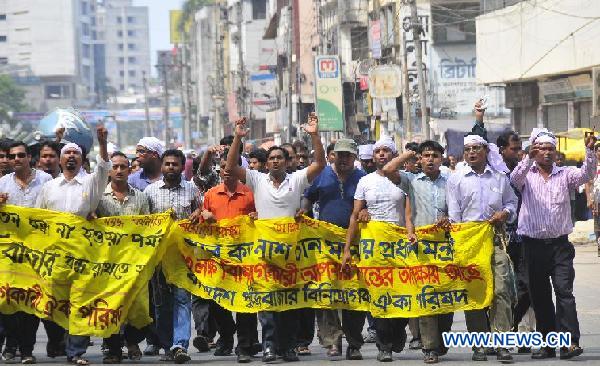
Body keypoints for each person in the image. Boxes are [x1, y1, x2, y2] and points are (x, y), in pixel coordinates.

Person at [225, 114, 326, 362]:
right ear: (266, 163)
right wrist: (238, 137)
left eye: (280, 157)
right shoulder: (256, 179)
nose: (275, 161)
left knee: (290, 302)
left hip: (291, 254)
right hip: (265, 252)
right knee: (268, 302)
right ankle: (269, 346)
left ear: (287, 161)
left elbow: (320, 164)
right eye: (271, 158)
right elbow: (230, 167)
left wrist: (314, 135)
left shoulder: (297, 179)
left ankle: (288, 347)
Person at [510, 128, 596, 360]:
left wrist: (589, 151)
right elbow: (514, 180)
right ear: (534, 151)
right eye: (541, 149)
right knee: (540, 296)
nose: (546, 153)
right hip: (533, 246)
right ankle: (548, 345)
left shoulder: (566, 174)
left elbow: (586, 175)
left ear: (556, 152)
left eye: (550, 149)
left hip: (560, 246)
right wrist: (528, 157)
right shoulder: (527, 175)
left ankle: (569, 343)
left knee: (564, 291)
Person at [36, 126, 111, 366]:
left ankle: (76, 351)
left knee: (81, 301)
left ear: (81, 159)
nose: (70, 156)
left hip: (83, 254)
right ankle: (59, 341)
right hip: (55, 255)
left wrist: (102, 142)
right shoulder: (49, 188)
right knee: (54, 301)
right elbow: (39, 219)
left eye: (75, 154)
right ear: (60, 159)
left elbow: (103, 169)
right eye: (66, 153)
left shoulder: (90, 184)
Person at [341, 137, 415, 363]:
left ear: (394, 155)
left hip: (399, 246)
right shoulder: (365, 181)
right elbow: (356, 215)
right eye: (378, 151)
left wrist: (411, 233)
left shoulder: (405, 179)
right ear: (372, 156)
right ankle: (385, 346)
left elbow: (409, 215)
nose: (381, 154)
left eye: (386, 151)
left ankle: (398, 330)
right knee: (380, 294)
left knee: (402, 293)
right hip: (373, 247)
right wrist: (347, 249)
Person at [446, 133, 518, 363]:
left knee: (501, 291)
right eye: (467, 150)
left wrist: (504, 213)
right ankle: (479, 345)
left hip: (496, 240)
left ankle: (502, 345)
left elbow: (511, 203)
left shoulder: (499, 177)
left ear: (486, 151)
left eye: (476, 149)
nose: (472, 153)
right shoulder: (456, 179)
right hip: (469, 243)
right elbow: (454, 215)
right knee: (475, 294)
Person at [381, 140, 454, 364]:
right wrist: (409, 153)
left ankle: (439, 342)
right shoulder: (411, 180)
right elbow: (388, 169)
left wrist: (449, 219)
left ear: (441, 159)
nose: (430, 159)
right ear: (419, 160)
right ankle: (429, 347)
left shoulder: (451, 180)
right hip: (421, 247)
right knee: (426, 296)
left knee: (446, 298)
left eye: (434, 155)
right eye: (425, 156)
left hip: (446, 246)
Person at [302, 139, 367, 360]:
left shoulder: (363, 178)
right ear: (332, 156)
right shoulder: (322, 176)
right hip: (325, 244)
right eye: (339, 155)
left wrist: (366, 213)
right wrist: (303, 213)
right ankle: (332, 341)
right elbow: (308, 198)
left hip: (355, 244)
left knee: (354, 293)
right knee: (325, 291)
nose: (343, 159)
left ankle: (354, 342)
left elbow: (370, 205)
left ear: (355, 157)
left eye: (348, 155)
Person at [199, 150, 258, 363]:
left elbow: (260, 220)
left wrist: (255, 217)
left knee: (244, 303)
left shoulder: (250, 193)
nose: (225, 171)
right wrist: (204, 216)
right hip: (218, 257)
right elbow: (201, 222)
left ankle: (244, 345)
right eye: (222, 167)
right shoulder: (211, 194)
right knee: (217, 302)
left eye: (229, 167)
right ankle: (227, 333)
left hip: (244, 257)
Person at [144, 149, 203, 364]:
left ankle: (180, 345)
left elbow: (202, 214)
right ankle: (168, 344)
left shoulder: (192, 190)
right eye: (167, 164)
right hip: (158, 258)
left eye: (175, 164)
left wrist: (198, 214)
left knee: (182, 300)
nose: (171, 168)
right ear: (162, 166)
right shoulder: (150, 192)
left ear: (181, 167)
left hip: (183, 257)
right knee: (161, 304)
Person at [0, 141, 54, 364]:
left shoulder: (46, 181)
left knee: (33, 302)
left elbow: (54, 213)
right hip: (10, 255)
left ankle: (27, 349)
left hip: (38, 253)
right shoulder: (2, 183)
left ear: (30, 157)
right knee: (8, 301)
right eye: (12, 157)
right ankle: (12, 343)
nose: (15, 160)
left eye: (20, 155)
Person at [95, 152, 149, 363]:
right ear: (109, 170)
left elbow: (148, 229)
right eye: (115, 167)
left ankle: (132, 339)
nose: (119, 170)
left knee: (141, 309)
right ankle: (114, 350)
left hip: (135, 262)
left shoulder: (141, 197)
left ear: (130, 170)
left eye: (123, 167)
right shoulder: (98, 198)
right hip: (107, 264)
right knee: (109, 307)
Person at [496, 131, 536, 350]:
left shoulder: (524, 168)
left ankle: (513, 329)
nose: (519, 152)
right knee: (501, 289)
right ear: (501, 150)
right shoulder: (495, 171)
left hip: (524, 237)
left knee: (528, 286)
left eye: (521, 147)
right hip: (500, 238)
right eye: (514, 148)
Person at [127, 137, 164, 355]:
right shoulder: (132, 181)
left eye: (142, 151)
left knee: (162, 297)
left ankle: (164, 339)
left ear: (154, 154)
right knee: (144, 296)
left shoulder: (172, 177)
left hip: (166, 248)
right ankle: (148, 339)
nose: (138, 155)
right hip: (138, 249)